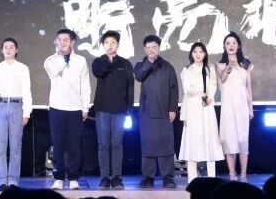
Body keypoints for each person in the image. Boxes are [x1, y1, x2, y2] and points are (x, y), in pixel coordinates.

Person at [43, 28, 91, 190]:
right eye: (59, 40)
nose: (62, 43)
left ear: (72, 42)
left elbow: (85, 85)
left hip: (75, 108)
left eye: (65, 40)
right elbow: (54, 72)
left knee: (74, 145)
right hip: (57, 107)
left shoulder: (81, 61)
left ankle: (73, 177)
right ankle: (58, 177)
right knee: (58, 144)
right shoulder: (50, 60)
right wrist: (62, 57)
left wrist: (85, 107)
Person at [90, 31, 134, 189]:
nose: (110, 45)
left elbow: (130, 87)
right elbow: (98, 72)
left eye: (113, 42)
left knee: (117, 144)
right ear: (103, 45)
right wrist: (108, 61)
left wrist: (129, 109)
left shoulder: (125, 63)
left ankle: (116, 177)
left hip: (120, 110)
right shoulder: (98, 61)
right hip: (102, 109)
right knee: (103, 144)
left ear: (118, 45)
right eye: (107, 42)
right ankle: (104, 177)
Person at [134, 34, 179, 188]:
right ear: (144, 49)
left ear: (159, 48)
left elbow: (174, 89)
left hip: (165, 112)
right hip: (147, 112)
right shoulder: (140, 65)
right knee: (148, 144)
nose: (151, 50)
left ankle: (168, 177)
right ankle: (148, 177)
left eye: (154, 47)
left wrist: (173, 109)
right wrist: (149, 62)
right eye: (148, 48)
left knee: (166, 144)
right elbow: (139, 76)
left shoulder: (168, 66)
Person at [0, 37, 32, 190]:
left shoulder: (23, 68)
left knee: (15, 147)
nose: (8, 49)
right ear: (2, 50)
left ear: (16, 50)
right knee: (0, 147)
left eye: (11, 47)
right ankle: (1, 181)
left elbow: (27, 91)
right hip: (0, 107)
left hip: (17, 106)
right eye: (5, 47)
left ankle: (13, 181)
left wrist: (26, 113)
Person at [179, 42, 224, 183]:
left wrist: (209, 97)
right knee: (192, 140)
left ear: (204, 54)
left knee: (209, 139)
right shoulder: (186, 70)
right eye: (195, 51)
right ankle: (192, 179)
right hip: (192, 108)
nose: (198, 54)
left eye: (201, 51)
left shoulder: (209, 69)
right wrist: (199, 92)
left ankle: (212, 178)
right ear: (191, 54)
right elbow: (187, 90)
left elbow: (213, 85)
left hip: (207, 108)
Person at [218, 32, 254, 181]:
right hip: (228, 107)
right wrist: (229, 67)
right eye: (228, 43)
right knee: (229, 139)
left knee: (242, 140)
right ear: (224, 47)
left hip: (242, 107)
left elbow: (248, 88)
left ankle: (243, 174)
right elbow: (222, 83)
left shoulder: (245, 65)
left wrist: (250, 108)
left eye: (234, 43)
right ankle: (232, 174)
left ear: (238, 46)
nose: (231, 46)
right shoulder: (220, 65)